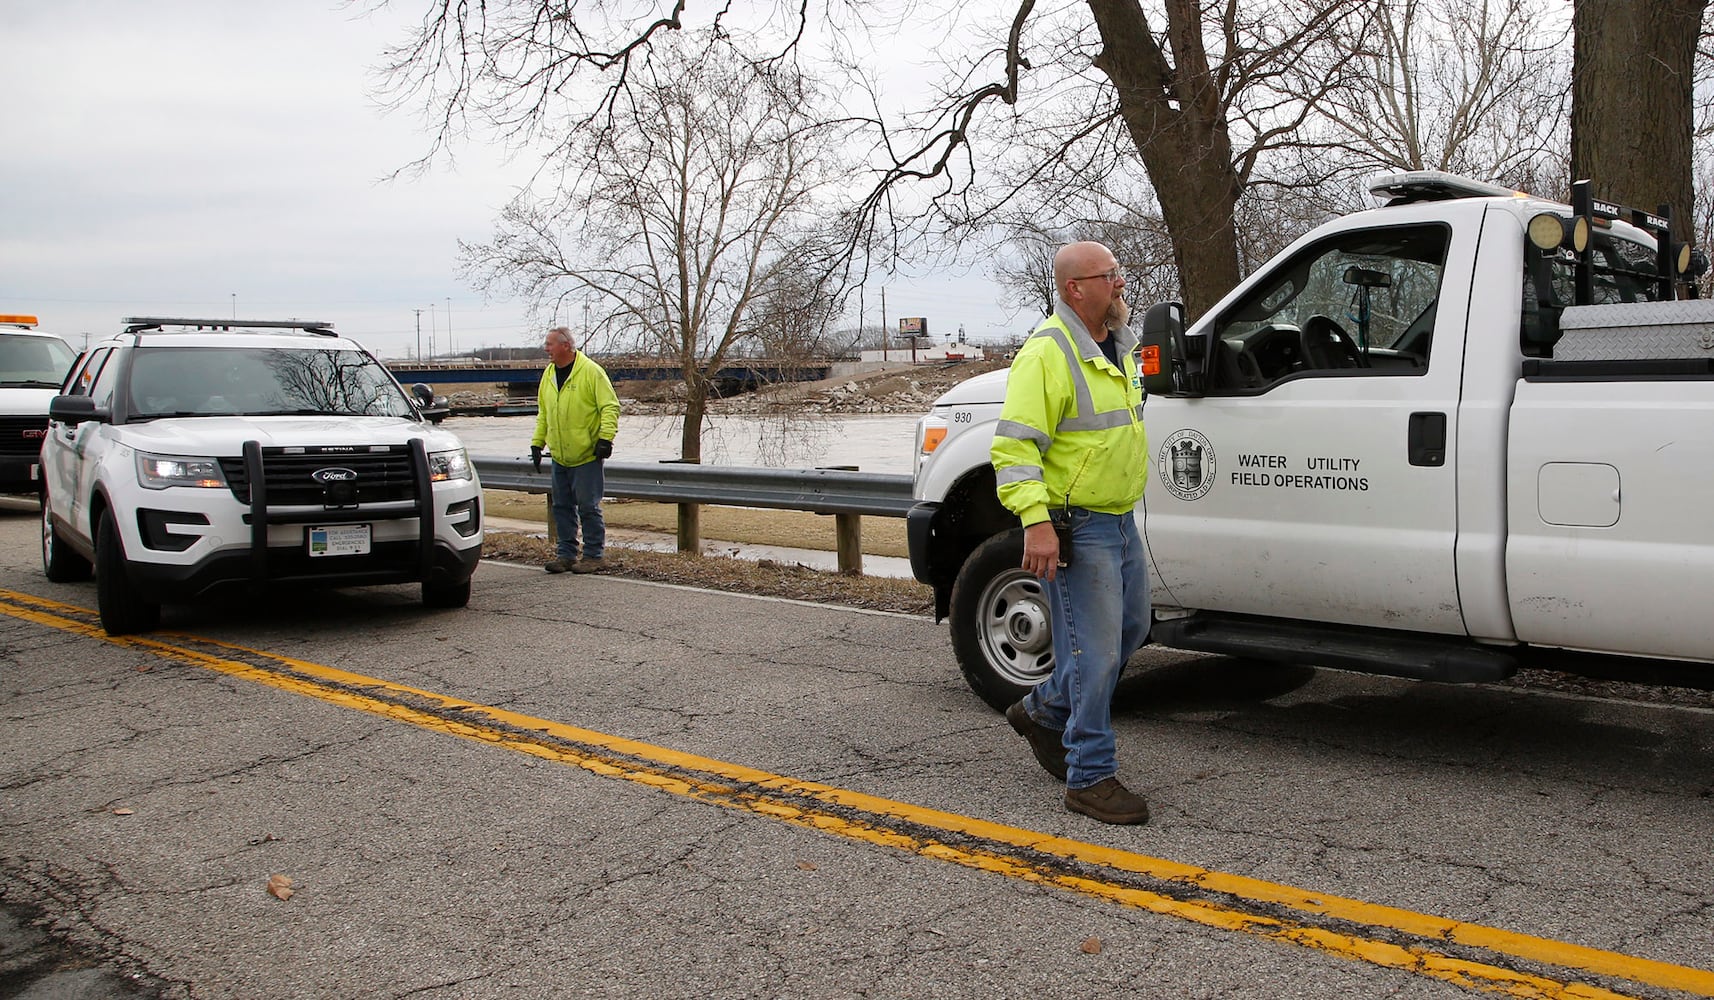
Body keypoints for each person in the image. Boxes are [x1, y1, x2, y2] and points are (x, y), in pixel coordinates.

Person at [990, 240, 1152, 825]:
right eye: (1108, 276)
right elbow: (1013, 448)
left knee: (1132, 628)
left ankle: (1042, 709)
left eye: (1119, 272)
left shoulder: (1118, 347)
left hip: (1119, 518)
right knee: (1096, 651)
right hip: (1077, 525)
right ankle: (1089, 775)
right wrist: (1037, 522)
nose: (1120, 284)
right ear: (1073, 289)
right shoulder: (1047, 353)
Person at [531, 327, 621, 574]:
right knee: (561, 507)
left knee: (588, 506)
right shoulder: (549, 374)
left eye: (550, 344)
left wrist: (605, 438)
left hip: (586, 454)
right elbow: (544, 414)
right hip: (560, 455)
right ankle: (566, 554)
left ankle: (594, 555)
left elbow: (610, 406)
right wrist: (538, 443)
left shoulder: (591, 372)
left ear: (566, 346)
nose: (546, 348)